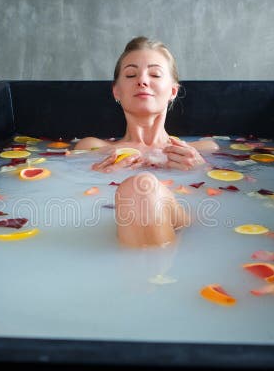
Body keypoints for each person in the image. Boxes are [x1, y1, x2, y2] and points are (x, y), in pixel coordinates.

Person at [74, 36, 219, 248]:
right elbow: (75, 196)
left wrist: (199, 168)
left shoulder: (204, 150)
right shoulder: (92, 149)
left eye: (155, 74)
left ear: (173, 91)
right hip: (111, 226)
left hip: (187, 224)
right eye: (131, 74)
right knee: (140, 189)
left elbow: (215, 203)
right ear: (116, 91)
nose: (142, 80)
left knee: (140, 189)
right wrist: (96, 174)